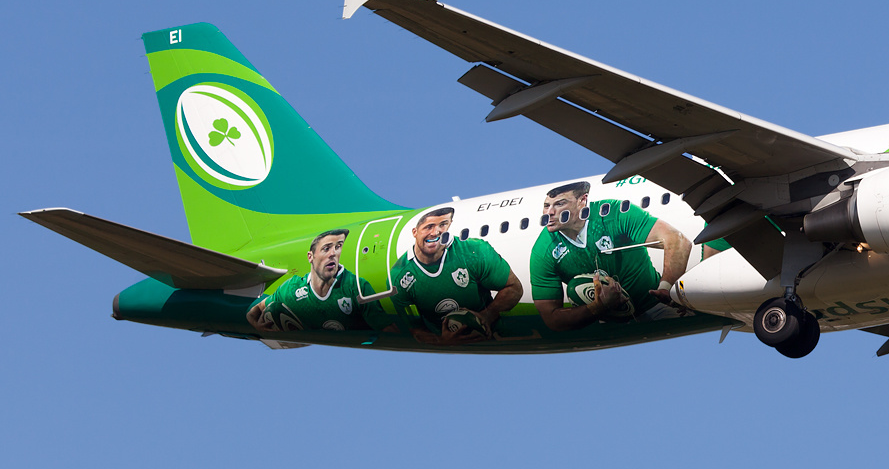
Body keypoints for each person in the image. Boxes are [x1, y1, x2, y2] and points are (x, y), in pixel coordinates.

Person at [528, 182, 691, 331]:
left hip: (655, 305)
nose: (549, 213)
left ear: (582, 201)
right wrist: (597, 307)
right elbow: (552, 319)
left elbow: (677, 240)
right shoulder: (543, 251)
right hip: (609, 322)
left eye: (559, 204)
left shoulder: (613, 214)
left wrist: (666, 288)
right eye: (546, 206)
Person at [388, 206, 524, 345]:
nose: (436, 232)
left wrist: (487, 315)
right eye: (429, 227)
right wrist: (442, 341)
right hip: (446, 343)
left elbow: (514, 288)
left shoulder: (474, 251)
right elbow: (415, 329)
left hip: (493, 334)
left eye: (443, 225)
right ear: (415, 232)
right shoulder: (399, 277)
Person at [248, 228, 381, 332]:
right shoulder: (292, 289)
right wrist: (256, 325)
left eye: (338, 247)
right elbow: (256, 310)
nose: (333, 253)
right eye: (326, 248)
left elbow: (387, 328)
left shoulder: (355, 286)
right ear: (310, 257)